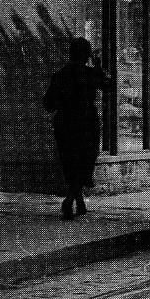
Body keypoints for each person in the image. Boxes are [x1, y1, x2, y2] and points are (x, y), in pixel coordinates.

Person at [44, 37, 109, 220]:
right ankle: (69, 199)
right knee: (85, 161)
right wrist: (98, 66)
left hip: (64, 124)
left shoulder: (60, 75)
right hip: (86, 123)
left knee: (71, 162)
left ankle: (78, 201)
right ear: (86, 54)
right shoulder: (89, 74)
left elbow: (48, 103)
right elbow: (108, 86)